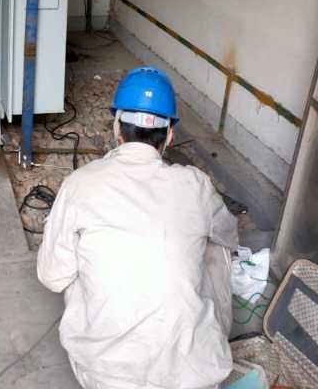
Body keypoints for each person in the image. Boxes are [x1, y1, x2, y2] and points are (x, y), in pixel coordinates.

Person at [37, 66, 238, 389]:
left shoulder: (80, 183)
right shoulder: (196, 184)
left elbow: (51, 276)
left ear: (117, 128)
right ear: (169, 135)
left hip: (106, 377)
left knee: (72, 256)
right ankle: (204, 339)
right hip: (192, 377)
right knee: (216, 243)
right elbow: (230, 235)